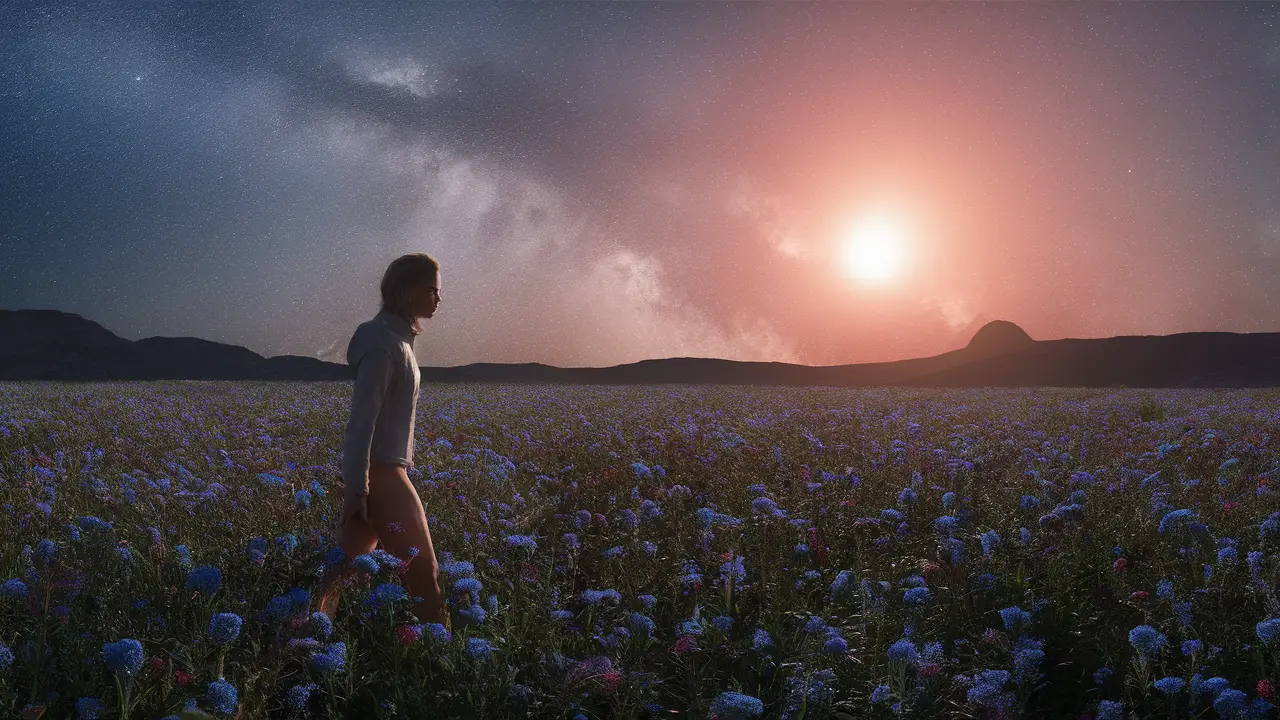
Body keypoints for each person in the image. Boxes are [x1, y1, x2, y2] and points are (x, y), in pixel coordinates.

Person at [316, 252, 448, 627]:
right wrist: (357, 489)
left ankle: (296, 646)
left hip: (378, 475)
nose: (438, 299)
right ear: (407, 290)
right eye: (432, 290)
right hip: (384, 477)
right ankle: (442, 663)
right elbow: (362, 422)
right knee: (425, 575)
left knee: (335, 581)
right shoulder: (382, 342)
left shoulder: (396, 340)